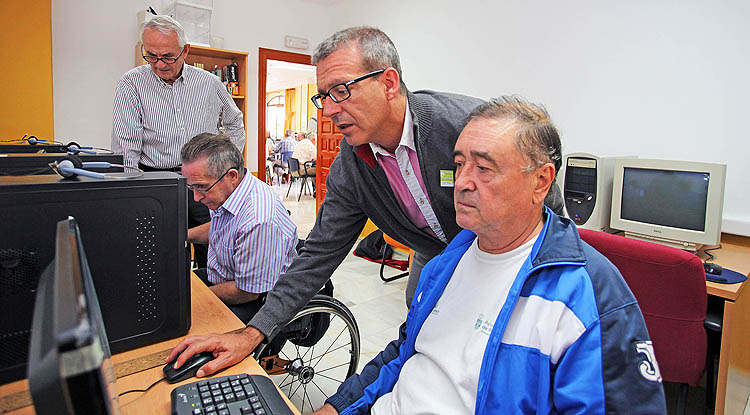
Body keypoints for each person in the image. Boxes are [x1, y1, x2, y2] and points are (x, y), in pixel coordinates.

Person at [166, 26, 563, 379]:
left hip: (508, 255)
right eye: (324, 96)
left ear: (389, 82)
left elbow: (546, 201)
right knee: (425, 342)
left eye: (342, 90)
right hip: (433, 256)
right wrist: (253, 333)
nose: (332, 109)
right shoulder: (351, 167)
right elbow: (318, 254)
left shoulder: (460, 125)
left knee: (511, 354)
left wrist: (559, 268)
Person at [314, 97, 666, 414]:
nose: (463, 181)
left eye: (483, 168)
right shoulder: (447, 263)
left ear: (541, 182)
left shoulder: (587, 296)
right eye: (459, 164)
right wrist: (339, 405)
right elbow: (406, 350)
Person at [111, 15, 245, 269]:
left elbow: (235, 123)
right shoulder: (131, 83)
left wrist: (225, 167)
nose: (159, 64)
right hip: (156, 180)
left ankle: (212, 303)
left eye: (167, 57)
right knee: (163, 253)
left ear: (185, 51)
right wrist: (129, 194)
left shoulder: (209, 83)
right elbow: (126, 143)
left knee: (214, 250)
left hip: (206, 181)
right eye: (150, 55)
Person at [180, 133, 297, 322]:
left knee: (184, 323)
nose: (196, 197)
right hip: (223, 277)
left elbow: (247, 292)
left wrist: (198, 299)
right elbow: (221, 227)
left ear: (232, 176)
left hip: (252, 299)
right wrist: (183, 236)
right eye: (191, 187)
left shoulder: (258, 220)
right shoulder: (228, 191)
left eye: (201, 187)